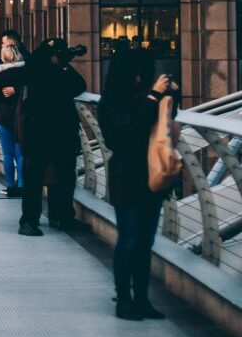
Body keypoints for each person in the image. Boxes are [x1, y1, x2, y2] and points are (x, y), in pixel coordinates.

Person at [98, 48, 178, 320]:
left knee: (145, 241)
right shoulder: (111, 102)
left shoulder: (145, 96)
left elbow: (163, 127)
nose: (142, 77)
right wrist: (154, 96)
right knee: (129, 239)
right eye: (138, 72)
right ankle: (124, 299)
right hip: (127, 176)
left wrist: (169, 97)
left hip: (151, 177)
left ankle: (142, 299)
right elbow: (124, 137)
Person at [17, 38, 88, 236]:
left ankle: (61, 216)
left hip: (57, 133)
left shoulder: (57, 70)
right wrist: (53, 58)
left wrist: (62, 64)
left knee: (64, 176)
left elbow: (79, 85)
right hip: (41, 132)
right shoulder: (35, 69)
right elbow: (75, 85)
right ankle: (30, 220)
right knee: (36, 178)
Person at [0, 41, 26, 197]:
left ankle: (10, 186)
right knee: (20, 153)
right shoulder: (24, 73)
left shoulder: (0, 74)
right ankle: (22, 185)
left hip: (3, 117)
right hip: (20, 116)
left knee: (8, 154)